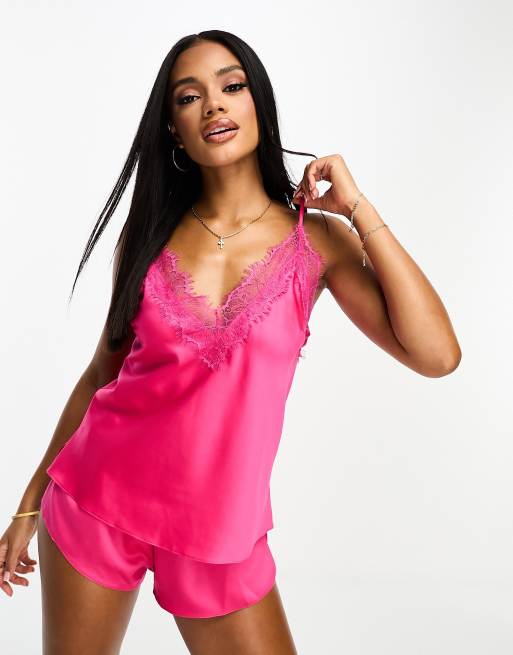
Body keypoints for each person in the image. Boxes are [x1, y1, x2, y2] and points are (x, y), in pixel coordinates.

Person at [0, 29, 461, 654]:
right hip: (95, 500)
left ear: (257, 103)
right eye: (189, 97)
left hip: (221, 537)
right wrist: (30, 503)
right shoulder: (146, 236)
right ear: (173, 129)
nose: (214, 104)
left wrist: (358, 209)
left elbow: (437, 356)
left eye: (232, 86)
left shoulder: (316, 242)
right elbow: (100, 376)